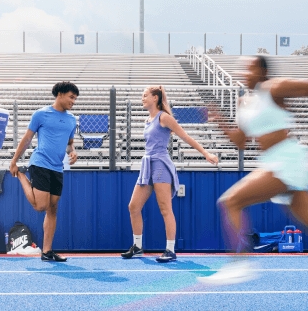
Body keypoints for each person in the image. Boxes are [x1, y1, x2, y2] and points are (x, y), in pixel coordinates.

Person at [198, 55, 308, 285]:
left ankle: (240, 263)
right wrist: (219, 121)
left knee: (231, 201)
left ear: (261, 71)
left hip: (287, 159)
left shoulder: (273, 88)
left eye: (248, 70)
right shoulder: (244, 102)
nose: (244, 74)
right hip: (272, 162)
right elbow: (240, 141)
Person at [121, 85, 218, 262]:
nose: (142, 99)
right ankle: (137, 246)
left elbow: (186, 136)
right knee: (133, 206)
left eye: (145, 95)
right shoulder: (148, 119)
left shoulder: (164, 118)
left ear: (155, 98)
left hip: (160, 164)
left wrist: (206, 154)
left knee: (165, 209)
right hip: (147, 164)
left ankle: (170, 250)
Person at [9, 81, 79, 262]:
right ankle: (23, 177)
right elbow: (26, 139)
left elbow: (70, 143)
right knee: (40, 206)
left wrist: (72, 152)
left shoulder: (72, 119)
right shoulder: (41, 114)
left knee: (52, 209)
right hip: (40, 163)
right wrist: (14, 161)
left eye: (75, 98)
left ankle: (47, 252)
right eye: (71, 97)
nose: (73, 101)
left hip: (58, 167)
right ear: (60, 94)